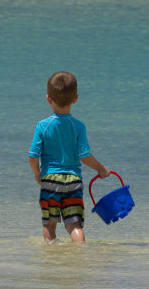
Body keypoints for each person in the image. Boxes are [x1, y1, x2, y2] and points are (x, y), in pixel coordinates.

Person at [28, 70, 110, 243]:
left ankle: (52, 258)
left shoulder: (42, 126)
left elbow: (33, 157)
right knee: (74, 225)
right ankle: (78, 256)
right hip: (73, 181)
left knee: (50, 224)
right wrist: (101, 169)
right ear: (75, 99)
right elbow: (85, 156)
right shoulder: (78, 126)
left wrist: (37, 173)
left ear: (48, 98)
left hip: (50, 180)